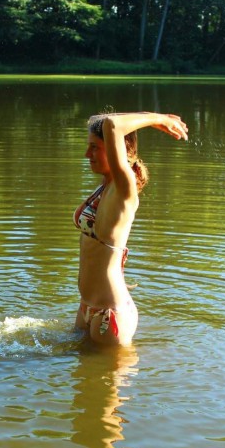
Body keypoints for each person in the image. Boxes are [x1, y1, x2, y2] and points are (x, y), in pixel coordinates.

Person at [74, 112, 188, 345]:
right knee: (80, 379)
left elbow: (112, 124)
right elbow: (102, 120)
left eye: (95, 147)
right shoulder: (105, 186)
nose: (88, 154)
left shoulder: (124, 186)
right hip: (87, 306)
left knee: (108, 379)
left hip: (109, 315)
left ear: (119, 148)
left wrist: (159, 120)